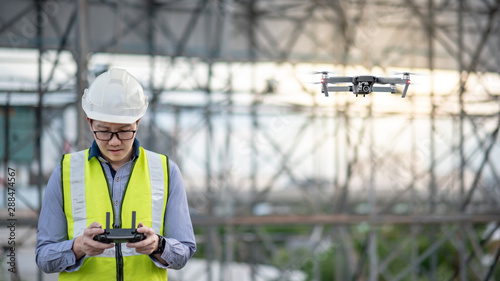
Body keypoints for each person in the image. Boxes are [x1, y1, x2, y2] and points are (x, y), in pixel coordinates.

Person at [36, 68, 196, 280]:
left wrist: (158, 245)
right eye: (103, 130)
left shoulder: (166, 171)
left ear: (138, 122)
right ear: (89, 122)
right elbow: (44, 257)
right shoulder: (65, 172)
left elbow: (184, 251)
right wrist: (78, 247)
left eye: (123, 130)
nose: (114, 141)